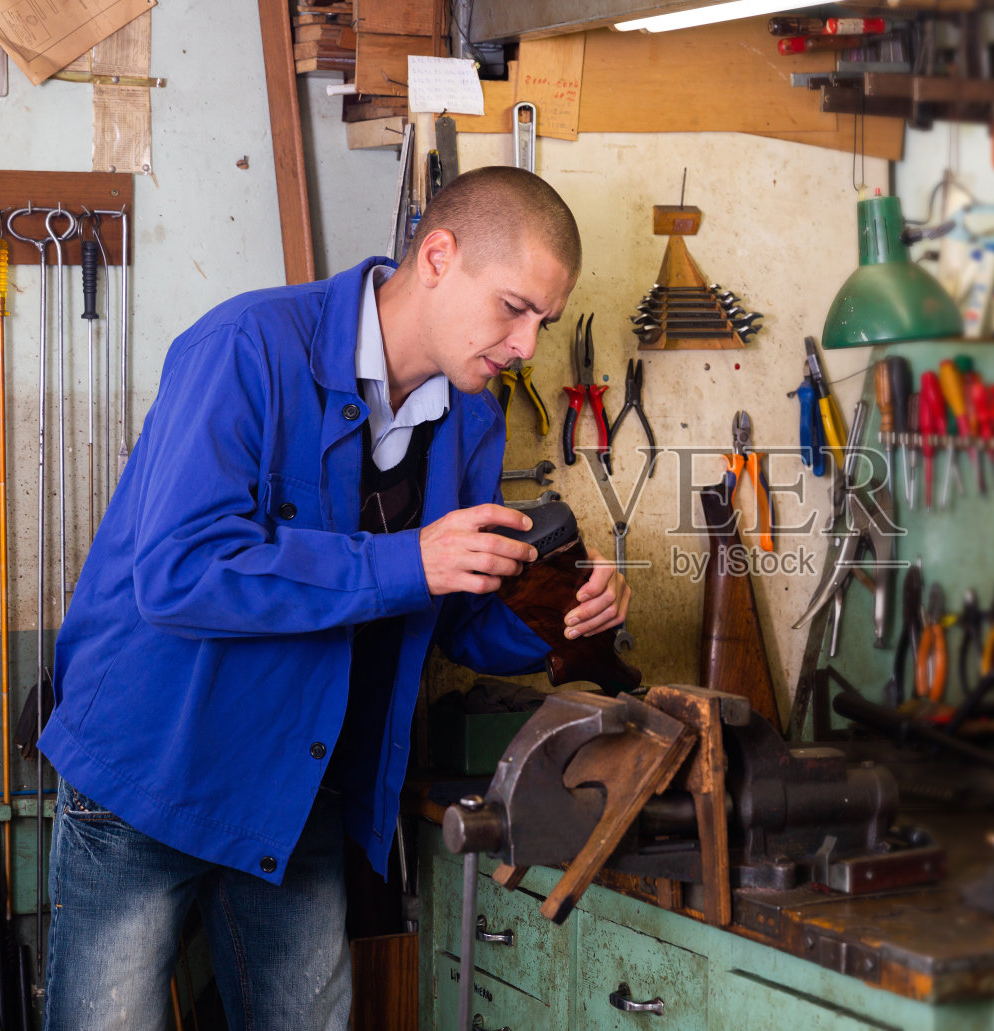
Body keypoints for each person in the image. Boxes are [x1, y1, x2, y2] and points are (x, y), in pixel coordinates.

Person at [38, 166, 626, 1029]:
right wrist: (406, 561)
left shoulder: (472, 419)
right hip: (149, 773)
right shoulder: (246, 347)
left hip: (298, 789)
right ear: (438, 256)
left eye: (546, 320)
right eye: (514, 308)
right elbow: (179, 572)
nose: (527, 345)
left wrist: (557, 616)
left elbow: (455, 617)